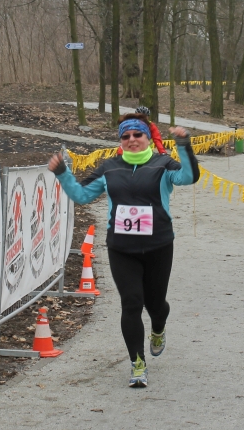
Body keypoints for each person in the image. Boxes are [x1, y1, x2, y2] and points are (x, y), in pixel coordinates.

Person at [48, 113, 198, 388]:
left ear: (147, 138)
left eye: (137, 135)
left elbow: (189, 177)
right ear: (120, 141)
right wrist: (62, 174)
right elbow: (82, 195)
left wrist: (183, 145)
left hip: (158, 246)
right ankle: (137, 363)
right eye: (125, 136)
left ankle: (158, 327)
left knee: (156, 305)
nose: (131, 140)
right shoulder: (110, 167)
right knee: (131, 303)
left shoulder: (163, 164)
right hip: (121, 248)